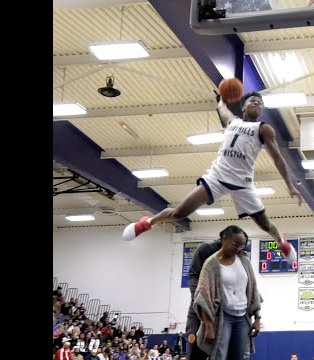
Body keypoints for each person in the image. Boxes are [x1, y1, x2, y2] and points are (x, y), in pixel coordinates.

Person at [122, 91, 301, 264]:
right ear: (243, 107)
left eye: (260, 103)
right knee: (179, 213)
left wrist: (290, 185)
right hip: (217, 176)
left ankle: (281, 242)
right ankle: (146, 223)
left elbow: (277, 157)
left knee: (265, 225)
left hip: (242, 183)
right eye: (252, 100)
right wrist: (221, 100)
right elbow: (223, 110)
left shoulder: (263, 129)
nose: (256, 103)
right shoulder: (232, 121)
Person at [192, 225, 262, 360]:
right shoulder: (211, 264)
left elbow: (253, 291)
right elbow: (203, 297)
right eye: (235, 244)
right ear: (224, 239)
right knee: (219, 355)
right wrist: (208, 326)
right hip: (223, 317)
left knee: (242, 356)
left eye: (241, 246)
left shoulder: (244, 261)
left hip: (243, 317)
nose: (238, 248)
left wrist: (257, 318)